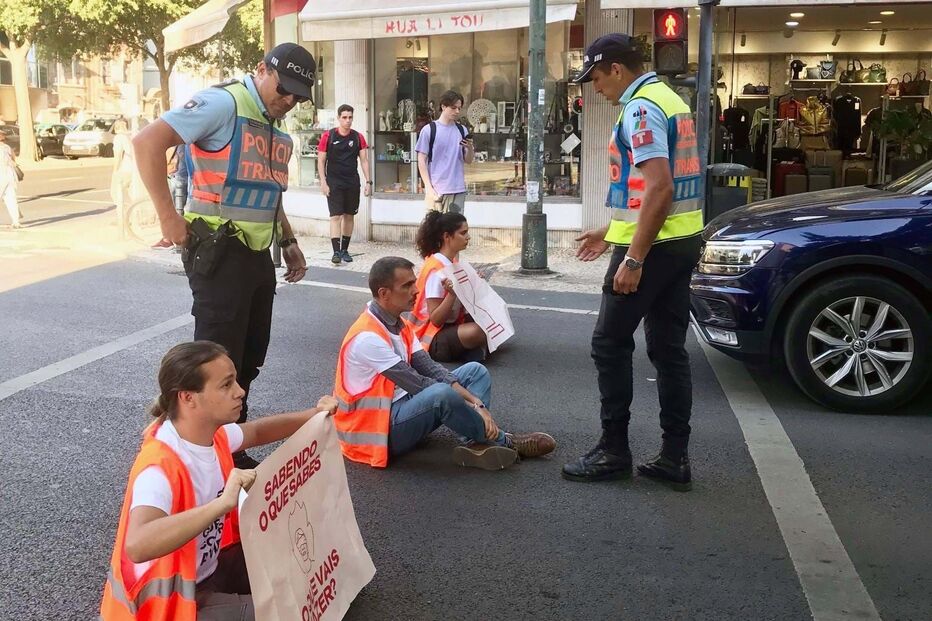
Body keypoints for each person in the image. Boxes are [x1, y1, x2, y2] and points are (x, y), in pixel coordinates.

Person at [132, 43, 315, 469]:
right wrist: (167, 217)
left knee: (247, 360)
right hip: (217, 251)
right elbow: (146, 142)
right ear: (261, 70)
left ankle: (228, 448)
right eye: (283, 89)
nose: (287, 101)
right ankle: (178, 454)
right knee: (212, 364)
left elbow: (269, 190)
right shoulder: (223, 103)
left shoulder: (270, 124)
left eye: (296, 97)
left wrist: (287, 240)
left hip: (255, 256)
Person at [99, 341, 338, 621]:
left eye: (235, 381)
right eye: (226, 385)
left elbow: (258, 431)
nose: (240, 391)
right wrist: (221, 504)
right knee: (290, 611)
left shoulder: (214, 436)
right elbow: (138, 544)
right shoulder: (159, 466)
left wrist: (314, 415)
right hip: (174, 603)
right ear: (188, 398)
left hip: (208, 568)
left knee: (306, 570)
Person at [560, 34, 703, 491]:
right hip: (680, 242)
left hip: (654, 249)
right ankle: (674, 457)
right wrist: (613, 231)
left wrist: (634, 256)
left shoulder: (641, 107)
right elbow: (658, 190)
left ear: (617, 70)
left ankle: (614, 451)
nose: (595, 87)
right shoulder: (670, 99)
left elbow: (659, 187)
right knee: (667, 351)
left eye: (597, 77)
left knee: (609, 344)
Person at [333, 256, 555, 470]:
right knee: (440, 394)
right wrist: (473, 405)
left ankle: (475, 443)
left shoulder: (399, 324)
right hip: (376, 432)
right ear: (384, 293)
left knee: (476, 372)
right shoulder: (367, 338)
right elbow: (418, 384)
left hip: (399, 406)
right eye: (408, 285)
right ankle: (504, 441)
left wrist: (475, 402)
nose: (416, 291)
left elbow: (430, 368)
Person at [407, 211, 488, 362]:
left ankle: (473, 350)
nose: (468, 237)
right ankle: (471, 350)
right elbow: (436, 319)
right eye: (463, 233)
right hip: (430, 336)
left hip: (449, 326)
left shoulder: (452, 263)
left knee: (491, 320)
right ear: (447, 237)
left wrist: (474, 283)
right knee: (481, 331)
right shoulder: (436, 269)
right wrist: (452, 294)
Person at [318, 104, 371, 265]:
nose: (348, 121)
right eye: (344, 117)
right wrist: (323, 181)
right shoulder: (328, 136)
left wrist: (368, 182)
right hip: (334, 182)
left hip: (352, 182)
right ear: (339, 118)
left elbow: (364, 161)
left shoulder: (358, 137)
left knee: (349, 215)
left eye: (350, 117)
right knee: (335, 216)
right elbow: (321, 160)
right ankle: (336, 252)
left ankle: (345, 250)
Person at [415, 90, 473, 214]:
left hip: (457, 189)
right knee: (434, 230)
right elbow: (421, 160)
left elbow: (468, 160)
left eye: (459, 108)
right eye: (453, 108)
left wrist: (470, 148)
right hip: (436, 190)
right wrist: (429, 188)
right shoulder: (429, 130)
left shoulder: (462, 130)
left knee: (455, 230)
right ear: (443, 106)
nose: (457, 111)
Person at [0, 130, 22, 229]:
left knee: (10, 198)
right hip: (10, 175)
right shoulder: (7, 147)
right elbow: (14, 159)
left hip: (2, 175)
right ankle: (16, 221)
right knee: (11, 199)